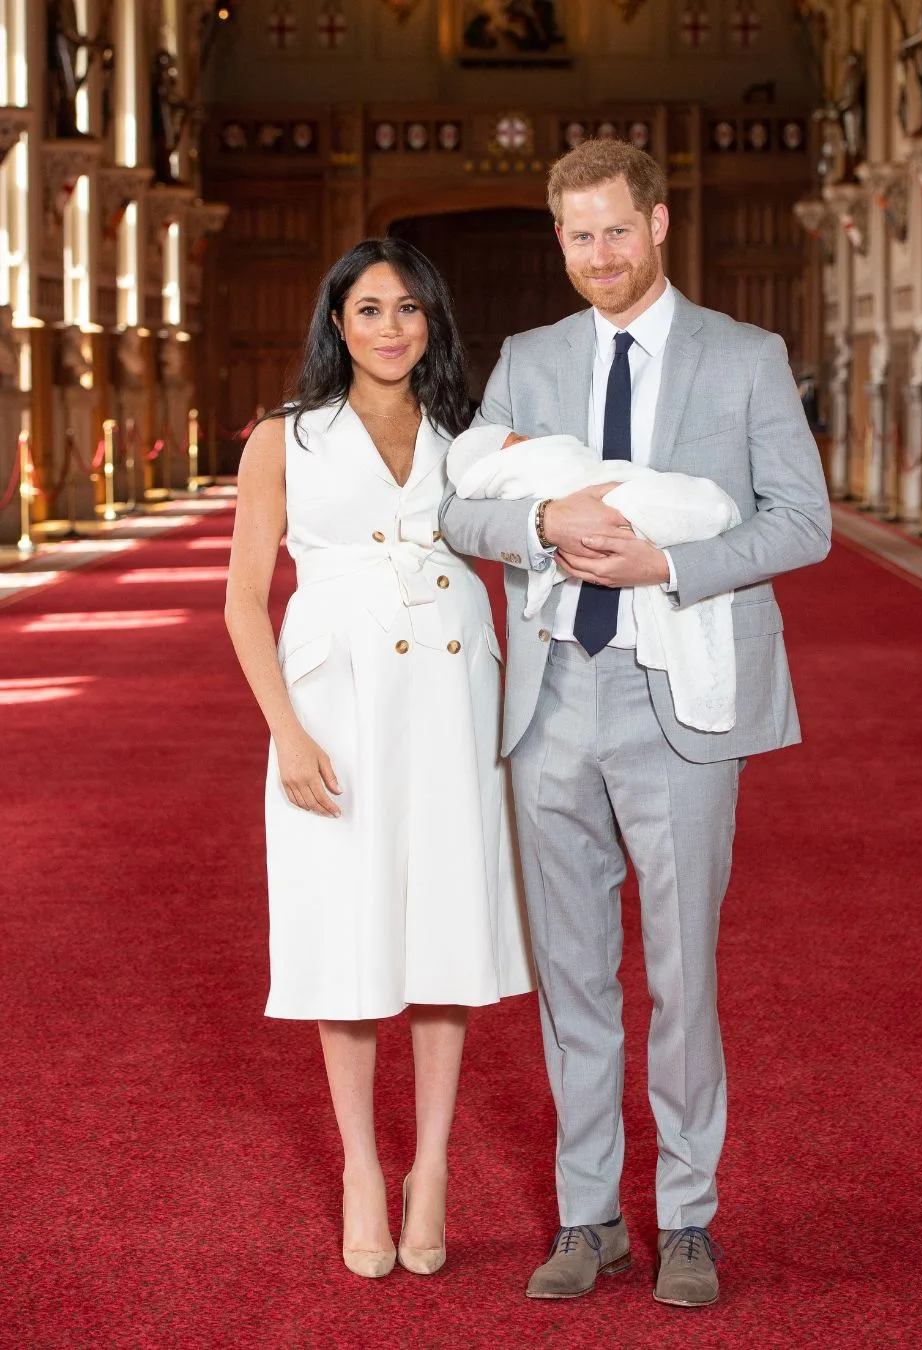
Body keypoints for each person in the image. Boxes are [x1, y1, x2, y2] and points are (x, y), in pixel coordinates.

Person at [441, 139, 831, 1309]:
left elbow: (802, 522)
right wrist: (540, 524)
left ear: (658, 224)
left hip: (680, 697)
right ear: (559, 240)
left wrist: (669, 562)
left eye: (618, 229)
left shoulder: (744, 357)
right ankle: (590, 1215)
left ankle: (689, 1219)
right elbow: (461, 508)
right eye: (579, 235)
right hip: (553, 696)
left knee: (681, 974)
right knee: (572, 977)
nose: (600, 254)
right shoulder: (529, 359)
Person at [224, 238, 534, 1282]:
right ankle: (362, 1164)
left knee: (445, 926)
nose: (391, 327)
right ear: (337, 322)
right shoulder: (285, 436)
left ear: (432, 321)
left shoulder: (470, 435)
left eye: (408, 308)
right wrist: (286, 730)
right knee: (347, 930)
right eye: (369, 308)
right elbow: (243, 600)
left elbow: (539, 517)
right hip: (337, 703)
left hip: (453, 694)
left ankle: (432, 1166)